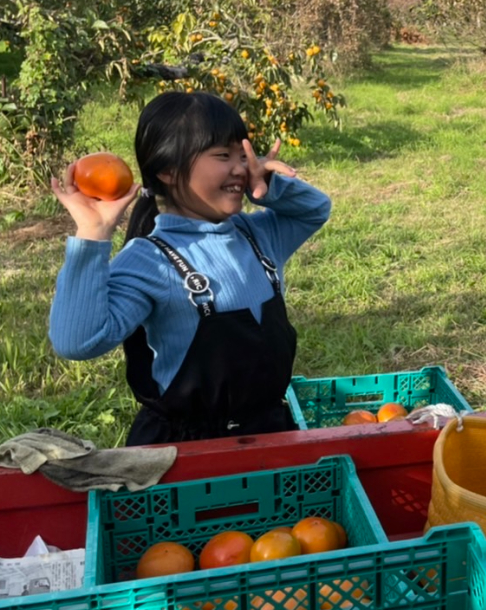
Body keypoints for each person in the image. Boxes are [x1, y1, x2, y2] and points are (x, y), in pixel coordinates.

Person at [49, 90, 331, 445]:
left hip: (269, 436)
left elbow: (316, 209)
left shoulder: (257, 235)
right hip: (185, 456)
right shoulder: (151, 259)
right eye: (223, 155)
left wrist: (270, 185)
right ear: (168, 169)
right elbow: (77, 342)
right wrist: (92, 233)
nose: (241, 167)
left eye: (243, 154)